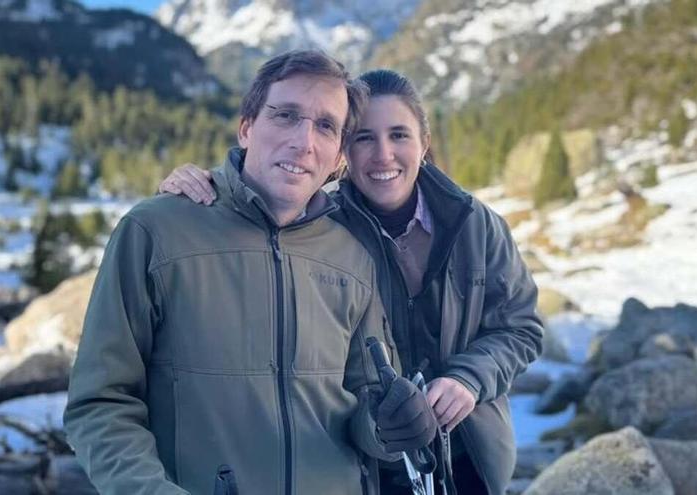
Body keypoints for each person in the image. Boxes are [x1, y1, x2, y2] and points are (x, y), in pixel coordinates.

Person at [64, 52, 439, 495]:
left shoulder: (352, 257)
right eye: (285, 116)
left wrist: (388, 427)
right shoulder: (155, 232)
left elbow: (364, 405)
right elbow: (101, 402)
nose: (303, 142)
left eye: (325, 126)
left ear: (338, 155)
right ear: (247, 127)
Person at [160, 69, 544, 494]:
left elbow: (520, 327)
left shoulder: (476, 225)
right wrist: (204, 185)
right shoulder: (317, 226)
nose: (383, 154)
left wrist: (469, 378)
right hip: (362, 464)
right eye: (363, 137)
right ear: (343, 149)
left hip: (468, 456)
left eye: (399, 135)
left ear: (424, 143)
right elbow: (258, 200)